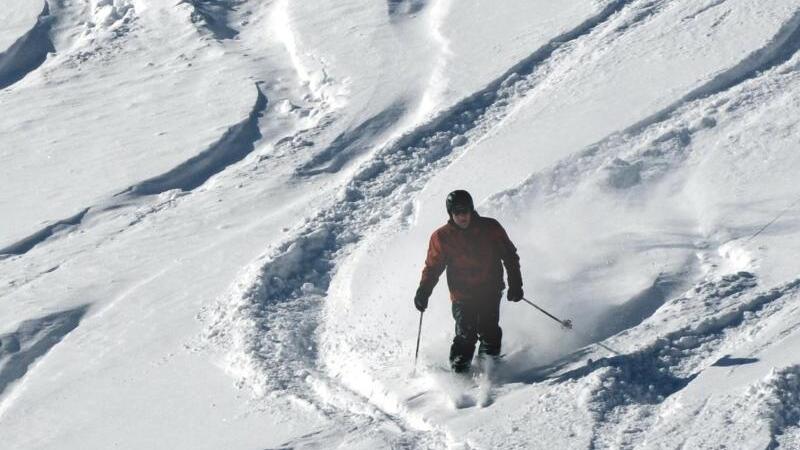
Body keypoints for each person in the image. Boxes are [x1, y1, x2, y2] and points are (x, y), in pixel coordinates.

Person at [413, 190, 523, 373]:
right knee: (466, 334)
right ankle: (459, 371)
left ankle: (489, 368)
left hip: (490, 289)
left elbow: (510, 256)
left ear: (472, 210)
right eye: (457, 212)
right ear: (450, 213)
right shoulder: (442, 237)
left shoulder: (490, 228)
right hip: (462, 294)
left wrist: (516, 284)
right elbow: (433, 268)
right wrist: (423, 291)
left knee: (490, 330)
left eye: (466, 211)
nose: (462, 216)